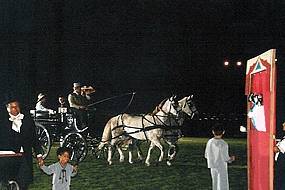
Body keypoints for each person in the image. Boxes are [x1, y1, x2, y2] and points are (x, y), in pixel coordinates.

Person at [0, 97, 44, 190]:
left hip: (24, 156)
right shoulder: (2, 121)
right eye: (12, 107)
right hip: (7, 158)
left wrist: (39, 155)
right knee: (10, 184)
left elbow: (34, 138)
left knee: (24, 183)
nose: (15, 109)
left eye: (17, 107)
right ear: (7, 108)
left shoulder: (27, 120)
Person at [204, 123, 235, 190]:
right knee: (222, 183)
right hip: (221, 166)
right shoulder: (223, 144)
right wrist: (231, 159)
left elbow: (206, 155)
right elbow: (225, 158)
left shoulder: (210, 142)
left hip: (212, 165)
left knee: (215, 183)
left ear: (213, 132)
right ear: (223, 132)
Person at [274, 122, 285, 190]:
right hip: (281, 162)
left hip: (282, 163)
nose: (283, 124)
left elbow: (276, 149)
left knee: (280, 182)